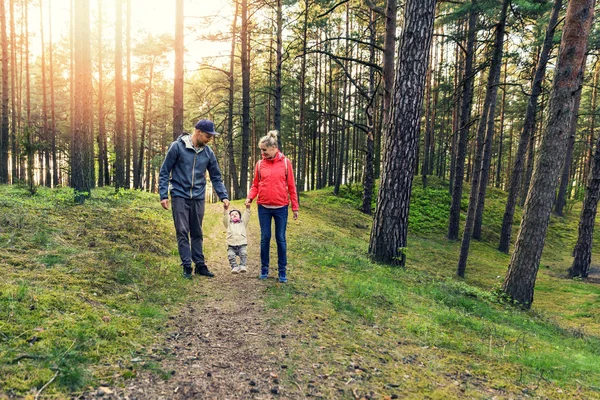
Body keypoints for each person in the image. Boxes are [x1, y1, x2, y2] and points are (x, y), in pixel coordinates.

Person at [159, 119, 230, 279]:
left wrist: (223, 195)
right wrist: (164, 195)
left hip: (198, 196)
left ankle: (199, 265)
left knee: (197, 231)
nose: (209, 140)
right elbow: (164, 171)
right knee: (182, 231)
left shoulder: (208, 152)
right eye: (207, 136)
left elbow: (216, 177)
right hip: (179, 195)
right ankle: (186, 266)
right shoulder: (177, 147)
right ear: (198, 132)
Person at [245, 130, 299, 283]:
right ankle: (264, 268)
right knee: (265, 237)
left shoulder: (286, 163)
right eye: (261, 150)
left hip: (281, 208)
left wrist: (295, 207)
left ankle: (282, 271)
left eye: (264, 150)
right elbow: (255, 185)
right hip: (264, 207)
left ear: (274, 148)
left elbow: (292, 187)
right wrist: (250, 197)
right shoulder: (260, 164)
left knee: (280, 238)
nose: (262, 153)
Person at [223, 204, 251, 274]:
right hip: (231, 245)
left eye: (236, 214)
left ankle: (242, 265)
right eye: (232, 214)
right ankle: (234, 266)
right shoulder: (228, 224)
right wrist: (226, 209)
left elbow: (246, 216)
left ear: (240, 216)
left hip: (242, 244)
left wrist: (247, 208)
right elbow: (226, 217)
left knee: (243, 254)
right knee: (231, 256)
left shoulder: (243, 223)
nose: (234, 215)